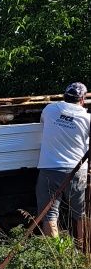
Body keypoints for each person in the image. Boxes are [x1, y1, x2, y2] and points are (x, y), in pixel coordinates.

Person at [36, 82, 90, 240]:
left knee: (49, 214)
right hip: (76, 170)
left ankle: (56, 256)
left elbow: (43, 124)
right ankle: (85, 253)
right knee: (80, 213)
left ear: (65, 96)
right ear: (82, 100)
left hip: (50, 169)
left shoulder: (50, 109)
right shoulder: (87, 118)